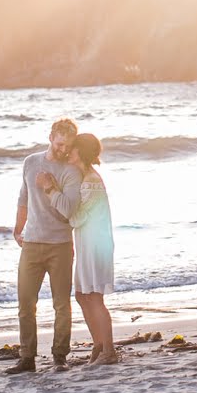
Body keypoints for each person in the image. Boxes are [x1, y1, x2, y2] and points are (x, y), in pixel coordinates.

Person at [6, 117, 82, 374]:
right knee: (25, 304)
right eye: (60, 144)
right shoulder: (30, 162)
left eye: (67, 146)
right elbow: (23, 199)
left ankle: (60, 356)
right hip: (32, 244)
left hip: (60, 245)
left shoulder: (71, 171)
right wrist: (18, 229)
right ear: (51, 137)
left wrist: (50, 187)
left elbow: (69, 212)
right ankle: (26, 359)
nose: (63, 150)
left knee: (62, 304)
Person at [40, 132, 117, 366]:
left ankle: (109, 351)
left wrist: (51, 190)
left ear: (80, 152)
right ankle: (99, 345)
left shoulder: (91, 181)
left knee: (94, 297)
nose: (67, 152)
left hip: (96, 245)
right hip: (87, 242)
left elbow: (77, 217)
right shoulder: (84, 177)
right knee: (83, 295)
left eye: (72, 149)